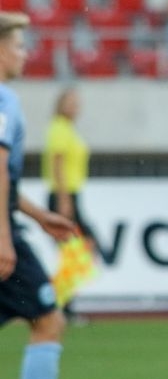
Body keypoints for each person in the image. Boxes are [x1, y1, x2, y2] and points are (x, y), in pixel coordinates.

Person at [0, 12, 81, 379]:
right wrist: (5, 238)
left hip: (10, 222)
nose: (25, 53)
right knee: (48, 318)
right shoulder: (4, 100)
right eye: (18, 45)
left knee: (46, 318)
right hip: (1, 233)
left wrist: (38, 214)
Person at [41, 87, 97, 320]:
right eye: (71, 103)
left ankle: (60, 302)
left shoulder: (68, 129)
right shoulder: (59, 129)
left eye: (77, 103)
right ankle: (57, 303)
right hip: (64, 195)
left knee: (77, 251)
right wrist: (64, 199)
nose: (76, 107)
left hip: (71, 195)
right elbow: (57, 163)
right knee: (75, 250)